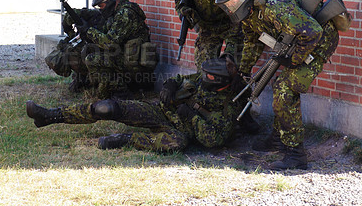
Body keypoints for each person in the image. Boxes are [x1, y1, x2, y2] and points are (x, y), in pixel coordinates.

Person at [216, 0, 341, 170]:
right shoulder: (249, 15)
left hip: (319, 41)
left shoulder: (274, 7)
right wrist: (243, 72)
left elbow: (313, 31)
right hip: (300, 41)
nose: (230, 9)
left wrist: (295, 60)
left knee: (285, 89)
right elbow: (253, 43)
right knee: (279, 86)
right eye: (227, 7)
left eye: (231, 5)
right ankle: (279, 138)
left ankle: (295, 154)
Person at [26, 57, 257, 152]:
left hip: (179, 129)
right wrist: (168, 86)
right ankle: (50, 116)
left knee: (176, 143)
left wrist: (192, 115)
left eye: (207, 76)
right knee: (108, 107)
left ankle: (126, 140)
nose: (202, 76)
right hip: (162, 111)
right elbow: (180, 79)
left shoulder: (232, 104)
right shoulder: (203, 77)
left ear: (218, 82)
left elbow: (214, 140)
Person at [75, 0, 158, 99]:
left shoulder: (125, 13)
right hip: (125, 56)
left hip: (135, 64)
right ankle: (104, 90)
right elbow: (104, 33)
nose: (101, 9)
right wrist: (86, 30)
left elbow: (109, 42)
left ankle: (121, 93)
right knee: (88, 50)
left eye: (101, 6)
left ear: (110, 1)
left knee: (92, 59)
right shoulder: (116, 12)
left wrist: (88, 30)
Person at [174, 0, 244, 71]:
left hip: (231, 27)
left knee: (232, 66)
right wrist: (183, 13)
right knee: (204, 68)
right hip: (207, 28)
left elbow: (240, 9)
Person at [45, 7, 104, 92]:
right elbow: (68, 19)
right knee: (63, 54)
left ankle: (91, 81)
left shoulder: (106, 19)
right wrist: (73, 34)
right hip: (85, 48)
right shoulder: (90, 14)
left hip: (98, 52)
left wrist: (88, 32)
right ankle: (82, 79)